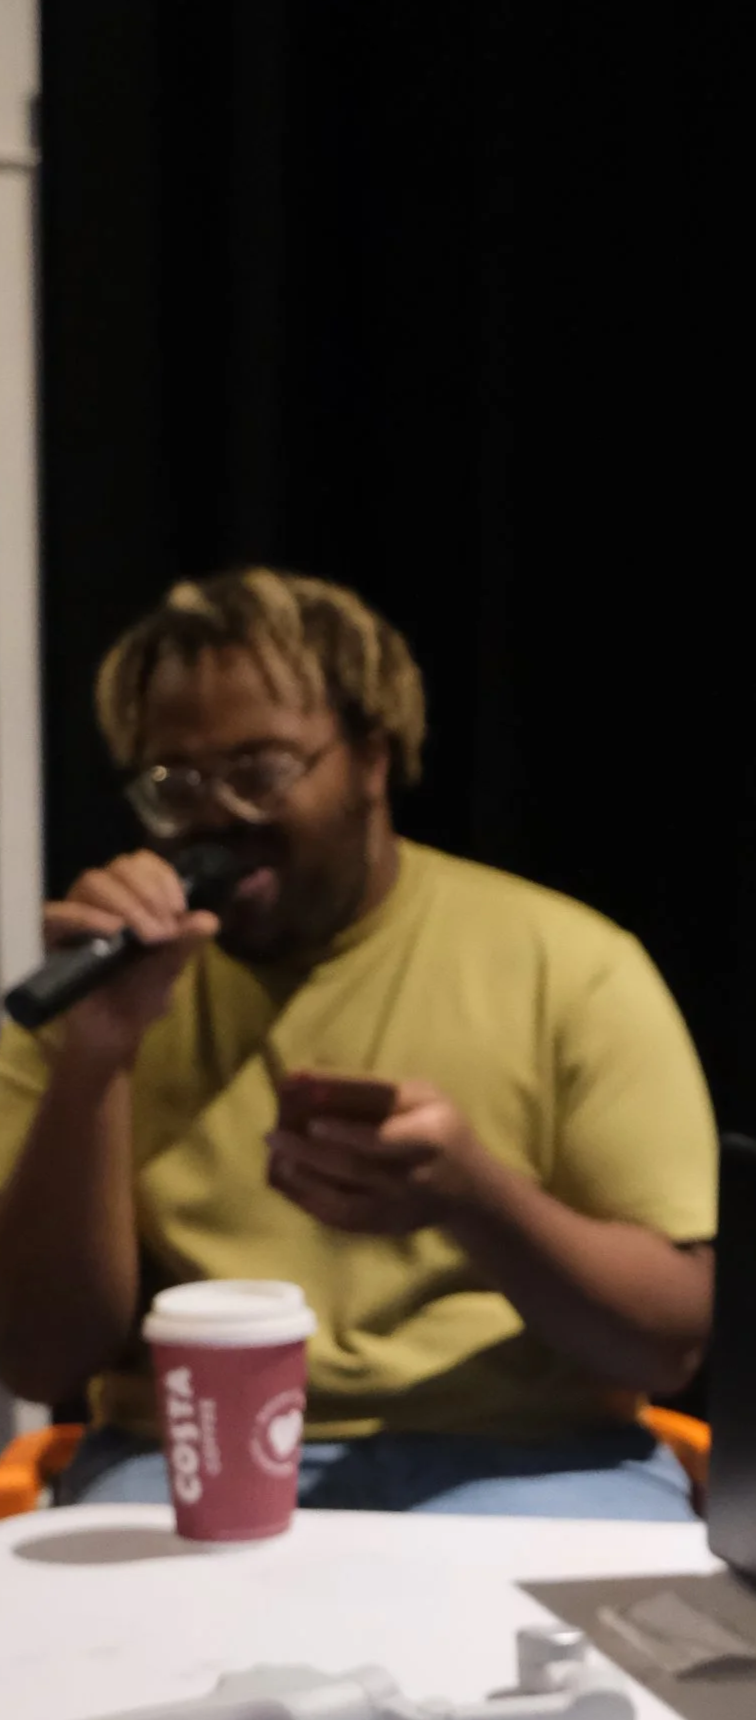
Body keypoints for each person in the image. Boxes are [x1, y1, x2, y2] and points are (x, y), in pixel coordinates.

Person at [0, 566, 718, 1519]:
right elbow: (41, 1355)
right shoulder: (102, 986)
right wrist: (97, 1054)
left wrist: (476, 1199)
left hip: (536, 1460)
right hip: (188, 1457)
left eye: (260, 771)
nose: (220, 815)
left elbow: (665, 1343)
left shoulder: (570, 964)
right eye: (177, 785)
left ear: (372, 759)